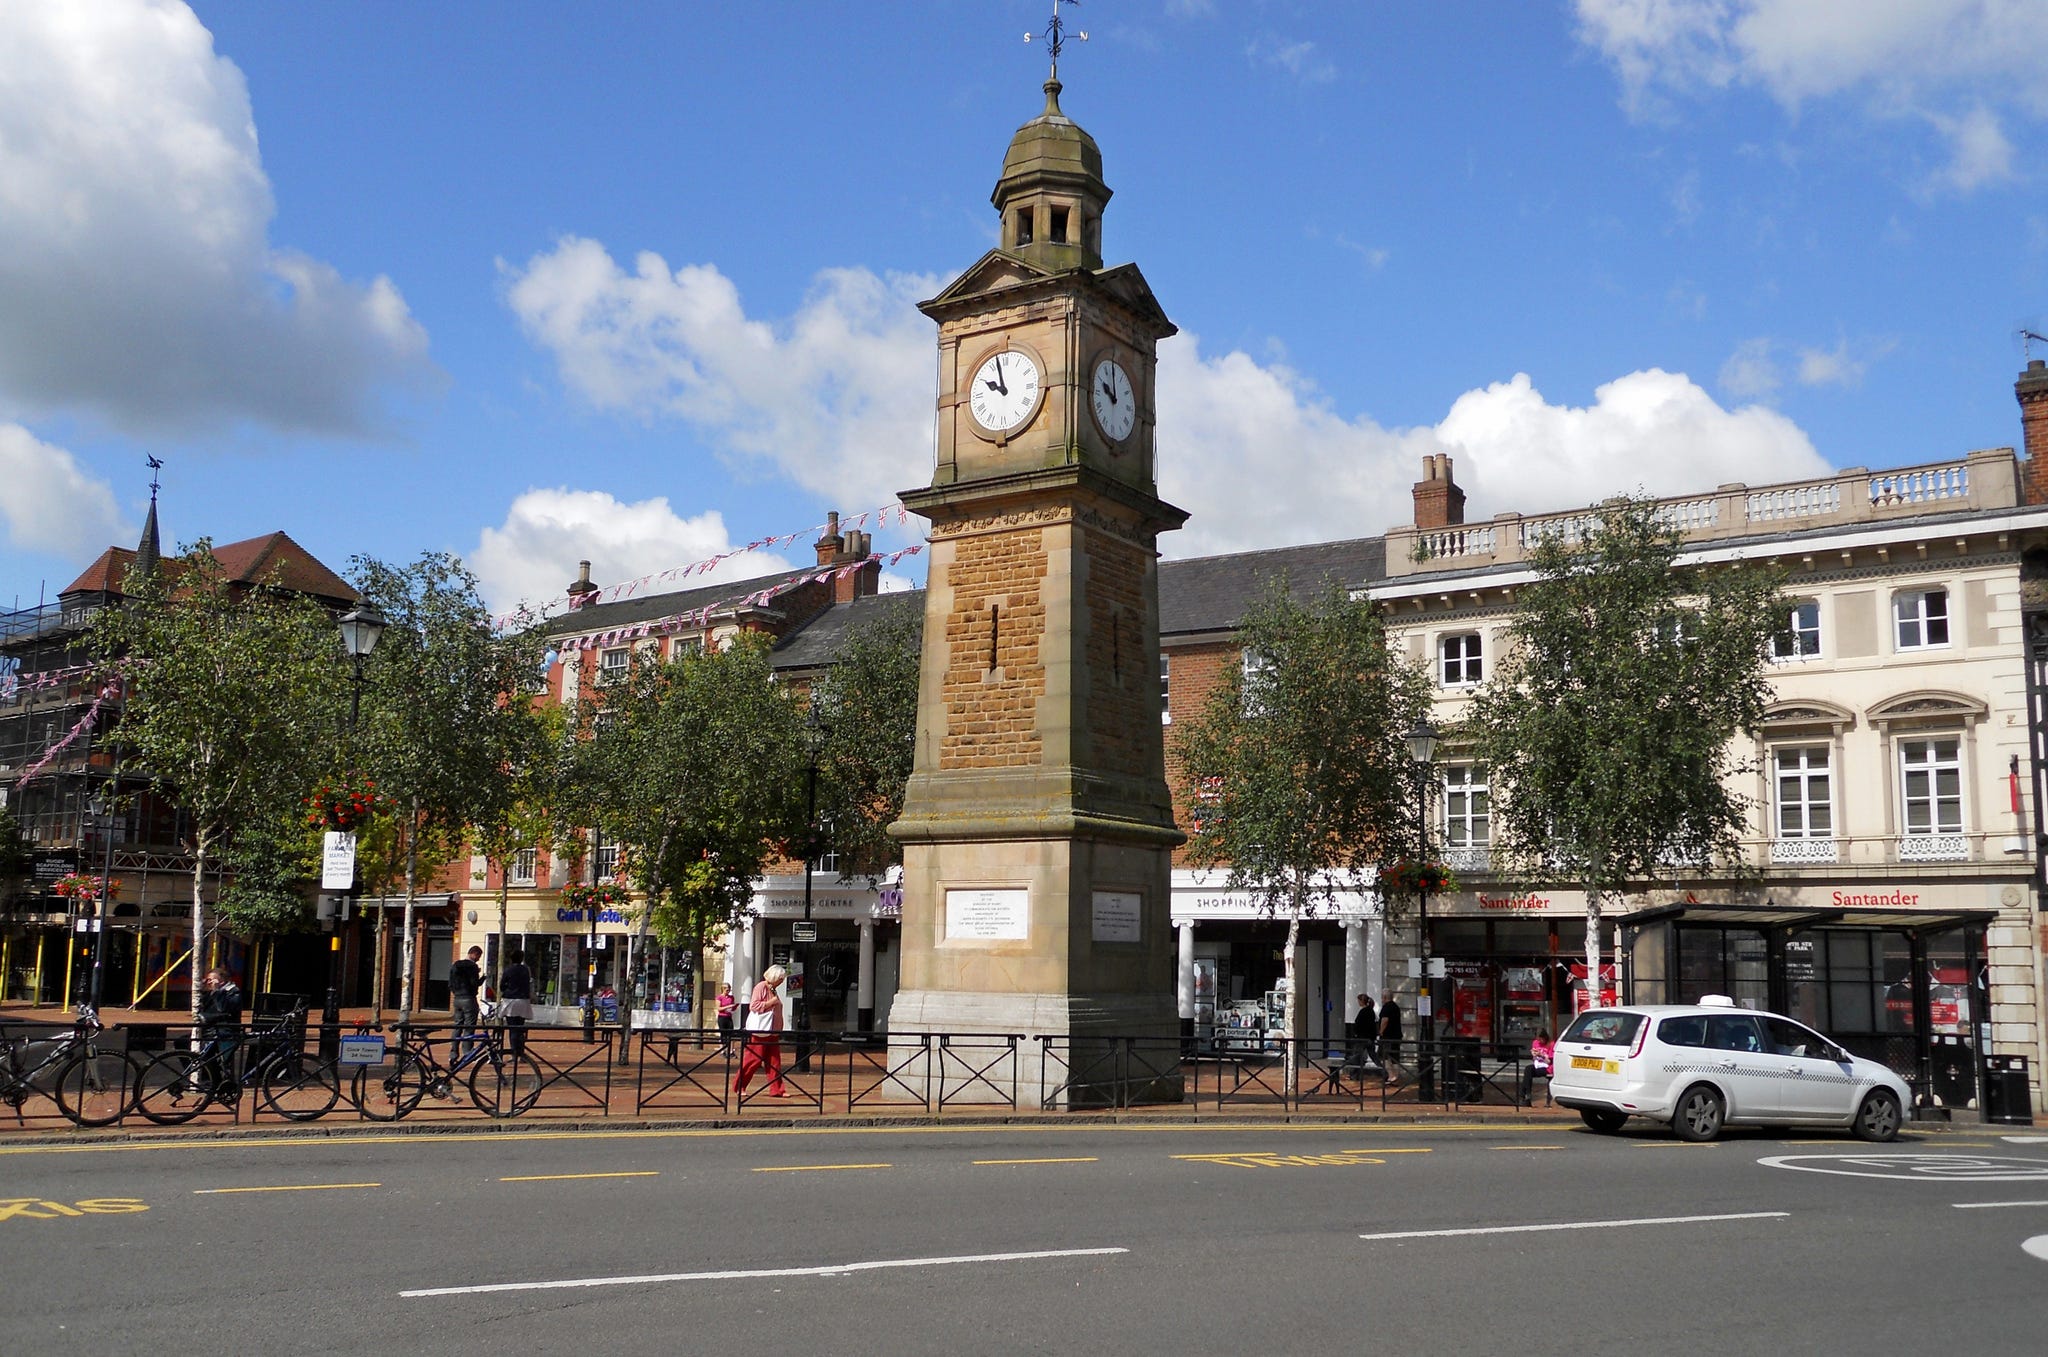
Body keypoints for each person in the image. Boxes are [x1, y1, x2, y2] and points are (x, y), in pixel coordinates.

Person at [733, 964, 788, 1098]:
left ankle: (777, 1089)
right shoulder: (761, 987)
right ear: (774, 977)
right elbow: (754, 1006)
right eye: (781, 978)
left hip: (772, 1031)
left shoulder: (773, 989)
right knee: (753, 1060)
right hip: (761, 1031)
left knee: (774, 1062)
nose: (782, 981)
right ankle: (740, 1086)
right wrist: (771, 1003)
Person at [196, 967, 243, 1094]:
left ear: (221, 981)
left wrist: (216, 991)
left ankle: (215, 1082)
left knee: (208, 1055)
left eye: (211, 980)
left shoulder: (233, 992)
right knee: (182, 1042)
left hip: (225, 1032)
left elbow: (223, 1009)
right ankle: (210, 1079)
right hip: (211, 1030)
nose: (209, 982)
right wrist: (203, 989)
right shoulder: (213, 992)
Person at [499, 947, 533, 1055]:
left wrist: (507, 990)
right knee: (520, 1027)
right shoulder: (525, 970)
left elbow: (502, 986)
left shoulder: (508, 970)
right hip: (523, 1001)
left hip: (510, 1001)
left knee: (512, 1028)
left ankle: (513, 1052)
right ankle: (521, 1051)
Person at [449, 945, 484, 1044]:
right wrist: (483, 978)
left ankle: (453, 1050)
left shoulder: (456, 965)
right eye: (478, 956)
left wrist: (456, 992)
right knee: (469, 1026)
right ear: (474, 954)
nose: (478, 959)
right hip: (469, 998)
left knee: (458, 1025)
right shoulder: (472, 966)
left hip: (457, 998)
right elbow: (475, 983)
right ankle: (467, 1050)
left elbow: (450, 983)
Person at [1521, 1028, 1554, 1104]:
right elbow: (1534, 1059)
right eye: (1538, 1040)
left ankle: (1524, 1095)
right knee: (1528, 1069)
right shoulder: (1535, 1043)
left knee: (1528, 1071)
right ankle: (1527, 1094)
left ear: (1545, 1037)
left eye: (1541, 1039)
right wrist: (1534, 1055)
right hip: (1538, 1065)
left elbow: (1549, 1061)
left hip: (1547, 1067)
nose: (1539, 1041)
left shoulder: (1551, 1044)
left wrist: (1541, 1055)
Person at [1377, 990, 1404, 1078]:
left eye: (1382, 997)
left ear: (1384, 997)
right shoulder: (1396, 1007)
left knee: (1383, 1056)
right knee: (1395, 1058)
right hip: (1397, 1035)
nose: (1381, 999)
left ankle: (1391, 1076)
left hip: (1387, 1036)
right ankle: (1396, 1076)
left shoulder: (1386, 1007)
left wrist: (1381, 1031)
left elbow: (1385, 1020)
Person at [1348, 992, 1378, 1073]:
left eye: (1359, 1001)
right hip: (1370, 1038)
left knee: (1356, 1056)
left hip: (1362, 1038)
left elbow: (1358, 1024)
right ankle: (1384, 1071)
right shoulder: (1371, 1011)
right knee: (1373, 1056)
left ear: (1362, 1001)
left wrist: (1356, 1033)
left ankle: (1354, 1073)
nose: (1358, 1003)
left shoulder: (1363, 1012)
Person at [715, 982, 738, 1048]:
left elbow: (732, 1008)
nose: (728, 991)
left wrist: (734, 1007)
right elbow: (719, 1008)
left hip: (729, 1016)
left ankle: (731, 1049)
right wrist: (728, 1006)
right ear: (723, 989)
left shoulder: (731, 997)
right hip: (722, 1017)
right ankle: (722, 1048)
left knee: (731, 1033)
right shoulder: (719, 997)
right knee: (723, 1033)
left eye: (729, 990)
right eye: (727, 990)